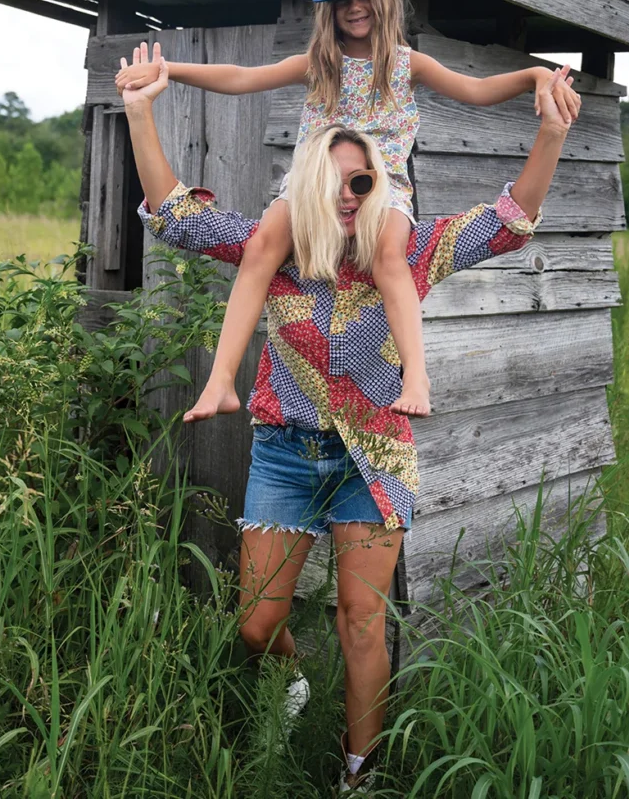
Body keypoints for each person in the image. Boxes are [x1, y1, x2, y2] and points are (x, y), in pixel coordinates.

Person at [122, 48, 578, 795]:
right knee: (255, 625)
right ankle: (293, 686)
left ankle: (357, 773)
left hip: (374, 460)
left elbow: (507, 221)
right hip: (284, 457)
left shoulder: (410, 250)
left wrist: (550, 136)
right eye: (331, 181)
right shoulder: (269, 252)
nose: (347, 195)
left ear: (378, 185)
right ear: (303, 186)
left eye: (361, 181)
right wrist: (141, 112)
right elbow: (175, 215)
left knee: (361, 620)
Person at [116, 0, 580, 424]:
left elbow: (478, 91)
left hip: (381, 189)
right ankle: (221, 382)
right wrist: (169, 69)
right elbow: (241, 76)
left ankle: (416, 375)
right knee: (260, 249)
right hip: (312, 183)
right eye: (342, 0)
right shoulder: (319, 64)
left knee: (389, 256)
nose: (355, 8)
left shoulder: (408, 64)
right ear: (328, 11)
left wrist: (533, 74)